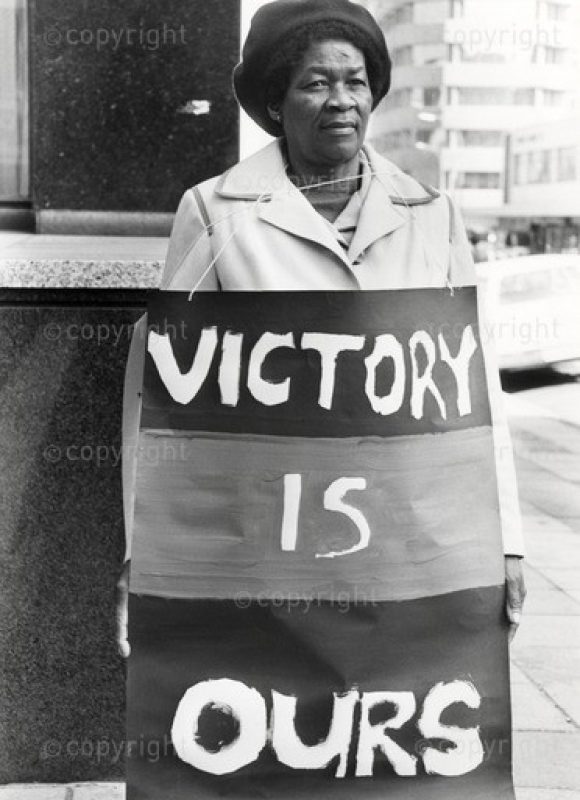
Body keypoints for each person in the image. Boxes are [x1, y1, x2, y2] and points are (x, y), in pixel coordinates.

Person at [118, 0, 525, 657]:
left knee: (392, 735)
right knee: (273, 725)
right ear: (276, 102)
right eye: (316, 82)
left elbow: (476, 393)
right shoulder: (216, 212)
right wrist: (150, 550)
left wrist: (505, 540)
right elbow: (164, 399)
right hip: (265, 538)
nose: (341, 100)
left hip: (406, 539)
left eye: (355, 81)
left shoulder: (432, 214)